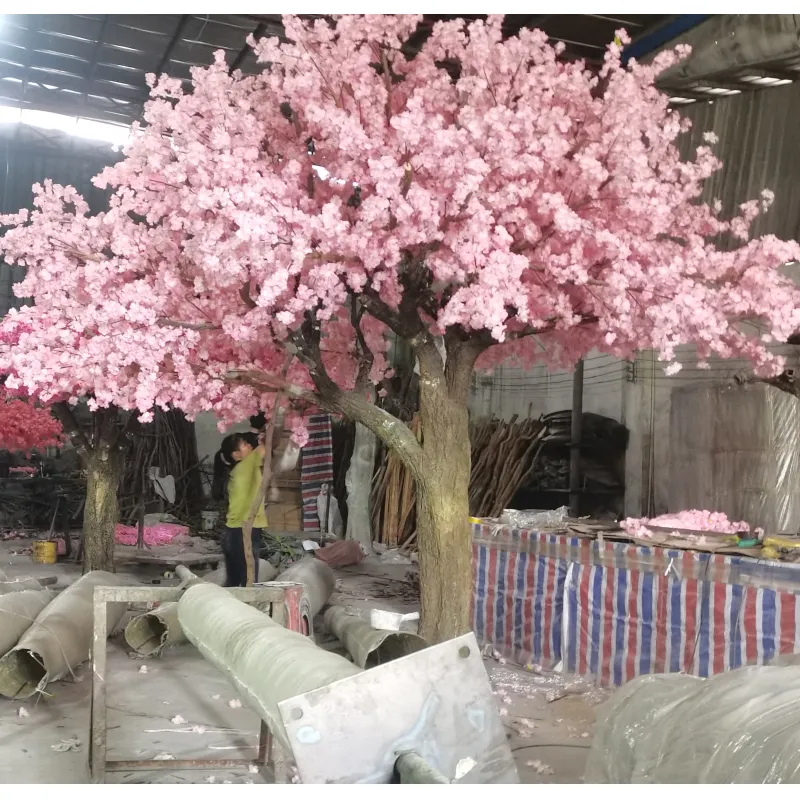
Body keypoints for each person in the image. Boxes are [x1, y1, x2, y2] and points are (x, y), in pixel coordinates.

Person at [211, 432, 267, 587]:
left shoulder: (241, 468)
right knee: (248, 583)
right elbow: (267, 446)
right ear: (236, 455)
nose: (249, 445)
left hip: (233, 534)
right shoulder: (246, 465)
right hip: (243, 532)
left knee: (234, 583)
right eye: (244, 445)